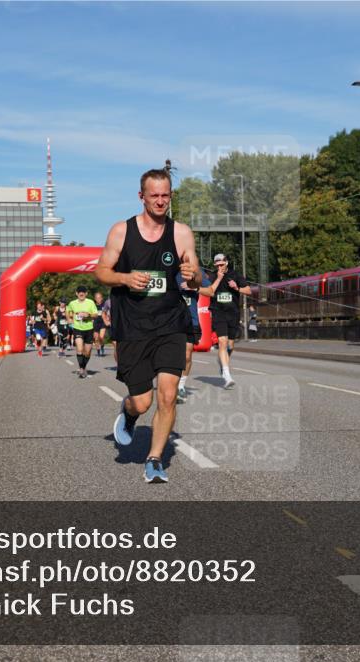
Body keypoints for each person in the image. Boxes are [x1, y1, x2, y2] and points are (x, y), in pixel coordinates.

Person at [95, 168, 200, 483]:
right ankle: (128, 413)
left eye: (165, 195)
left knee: (167, 395)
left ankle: (154, 459)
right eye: (153, 195)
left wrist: (191, 273)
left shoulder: (181, 232)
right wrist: (125, 278)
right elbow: (101, 271)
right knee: (143, 400)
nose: (160, 201)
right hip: (133, 326)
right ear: (141, 196)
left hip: (170, 322)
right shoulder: (121, 231)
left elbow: (195, 275)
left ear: (171, 195)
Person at [201, 253, 250, 389]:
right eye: (217, 265)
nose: (220, 267)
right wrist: (219, 277)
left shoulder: (235, 275)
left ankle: (223, 362)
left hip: (233, 313)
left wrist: (236, 287)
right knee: (222, 342)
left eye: (222, 264)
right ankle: (227, 375)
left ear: (227, 263)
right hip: (218, 312)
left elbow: (248, 290)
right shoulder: (211, 276)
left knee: (230, 346)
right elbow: (209, 291)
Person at [177, 267, 211, 404]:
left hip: (191, 320)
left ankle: (180, 386)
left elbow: (210, 291)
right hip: (170, 321)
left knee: (186, 355)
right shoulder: (169, 268)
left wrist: (195, 288)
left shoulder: (196, 271)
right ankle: (169, 383)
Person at [67, 285, 99, 378]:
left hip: (89, 329)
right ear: (76, 293)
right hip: (78, 329)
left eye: (83, 292)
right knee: (80, 349)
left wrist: (88, 315)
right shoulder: (72, 303)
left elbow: (96, 315)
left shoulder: (90, 302)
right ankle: (81, 369)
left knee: (88, 352)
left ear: (86, 293)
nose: (81, 293)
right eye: (79, 292)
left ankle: (84, 367)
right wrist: (69, 318)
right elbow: (68, 310)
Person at [92, 291, 109, 357]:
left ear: (102, 298)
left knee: (101, 337)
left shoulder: (105, 304)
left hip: (102, 322)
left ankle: (102, 347)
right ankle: (98, 351)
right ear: (95, 299)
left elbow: (108, 311)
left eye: (100, 298)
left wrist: (107, 318)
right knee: (96, 338)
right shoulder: (93, 305)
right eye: (97, 298)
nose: (98, 299)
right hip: (95, 323)